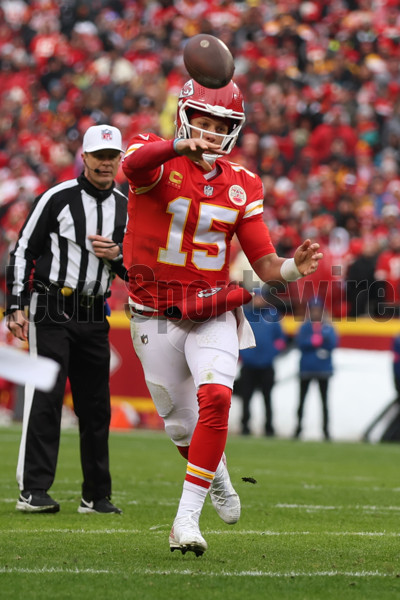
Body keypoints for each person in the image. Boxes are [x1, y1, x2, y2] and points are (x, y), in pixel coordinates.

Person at [122, 78, 323, 556]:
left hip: (211, 307)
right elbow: (132, 165)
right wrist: (178, 146)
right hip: (152, 314)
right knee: (178, 426)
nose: (211, 133)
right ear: (185, 117)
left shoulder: (243, 183)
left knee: (215, 398)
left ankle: (185, 522)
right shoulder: (154, 153)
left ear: (234, 130)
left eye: (221, 126)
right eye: (204, 123)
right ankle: (215, 475)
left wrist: (295, 267)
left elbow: (266, 267)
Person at [5, 125, 128, 514]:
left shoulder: (126, 206)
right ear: (85, 157)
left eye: (113, 156)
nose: (106, 163)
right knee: (47, 396)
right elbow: (23, 249)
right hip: (53, 307)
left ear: (119, 159)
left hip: (94, 309)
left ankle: (96, 494)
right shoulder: (57, 198)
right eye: (100, 156)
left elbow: (138, 268)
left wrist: (118, 258)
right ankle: (34, 490)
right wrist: (16, 305)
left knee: (96, 406)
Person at [236, 291, 286, 436]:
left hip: (266, 365)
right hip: (249, 365)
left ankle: (269, 427)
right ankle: (245, 425)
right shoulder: (244, 315)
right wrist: (242, 354)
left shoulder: (272, 315)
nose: (259, 300)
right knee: (246, 397)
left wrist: (273, 352)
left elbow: (281, 338)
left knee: (267, 397)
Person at [294, 298, 338, 441]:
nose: (316, 312)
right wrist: (312, 341)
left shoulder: (328, 327)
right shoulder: (305, 327)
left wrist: (321, 338)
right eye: (313, 310)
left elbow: (333, 343)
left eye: (318, 310)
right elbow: (300, 343)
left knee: (324, 402)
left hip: (323, 370)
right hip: (306, 369)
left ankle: (326, 431)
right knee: (301, 400)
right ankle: (298, 428)